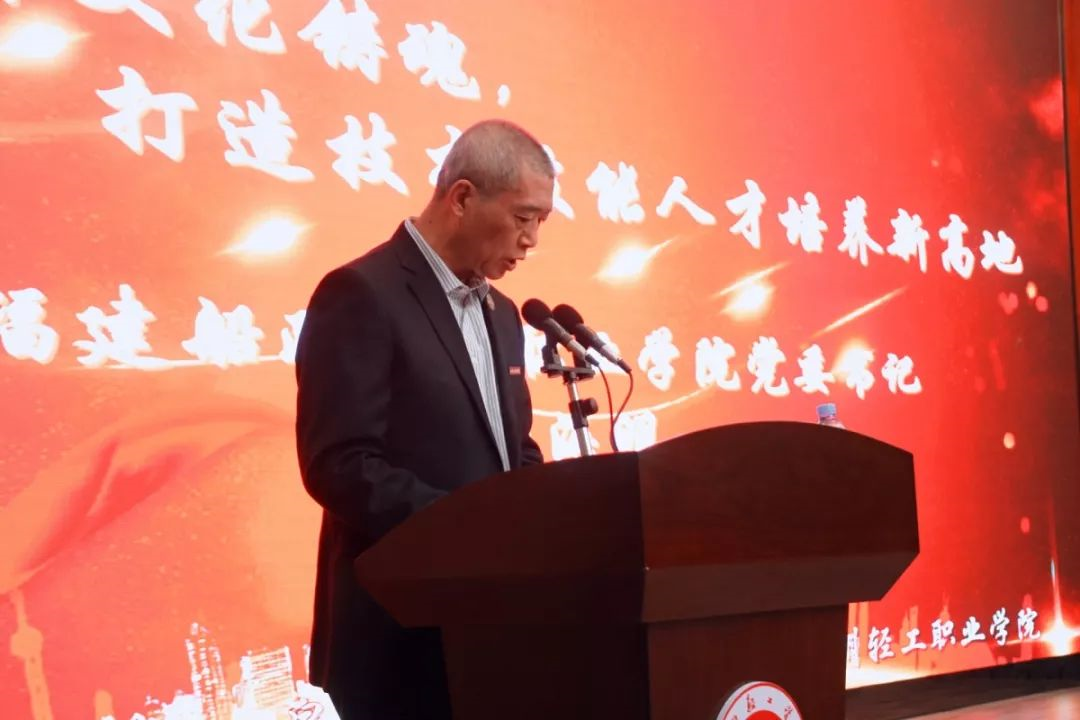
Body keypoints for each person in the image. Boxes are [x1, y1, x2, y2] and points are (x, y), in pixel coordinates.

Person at [294, 119, 554, 719]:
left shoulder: (504, 315)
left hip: (491, 631)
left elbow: (514, 447)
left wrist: (541, 511)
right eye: (523, 217)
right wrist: (465, 528)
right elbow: (339, 463)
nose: (531, 240)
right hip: (398, 639)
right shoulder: (361, 293)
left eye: (542, 222)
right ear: (462, 198)